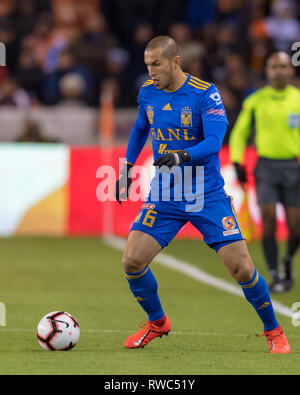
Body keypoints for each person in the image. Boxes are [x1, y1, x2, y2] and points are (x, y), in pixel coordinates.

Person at [115, 36, 290, 354]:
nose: (151, 71)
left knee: (242, 269)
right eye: (147, 65)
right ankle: (157, 322)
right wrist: (127, 169)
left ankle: (275, 331)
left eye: (156, 64)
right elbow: (142, 127)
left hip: (205, 194)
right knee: (132, 260)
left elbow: (214, 141)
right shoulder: (147, 93)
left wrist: (182, 155)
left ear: (175, 61)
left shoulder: (204, 93)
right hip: (165, 194)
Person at [229, 51, 300, 293]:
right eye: (273, 66)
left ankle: (287, 261)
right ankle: (274, 274)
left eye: (283, 66)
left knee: (296, 227)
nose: (278, 71)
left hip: (293, 166)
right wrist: (237, 162)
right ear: (267, 71)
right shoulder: (256, 100)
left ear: (290, 70)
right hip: (266, 167)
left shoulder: (298, 99)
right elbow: (239, 132)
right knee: (268, 217)